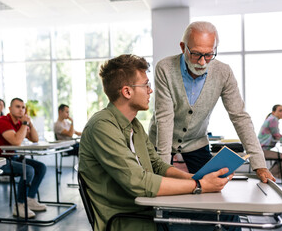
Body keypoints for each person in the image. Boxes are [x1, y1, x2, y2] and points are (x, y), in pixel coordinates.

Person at [78, 54, 240, 231]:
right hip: (131, 220)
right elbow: (139, 183)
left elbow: (157, 165)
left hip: (152, 209)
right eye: (146, 85)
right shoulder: (102, 126)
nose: (150, 90)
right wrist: (200, 186)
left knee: (227, 213)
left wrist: (195, 179)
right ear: (127, 91)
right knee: (219, 222)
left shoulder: (135, 125)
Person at [148, 21, 274, 183]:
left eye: (209, 55)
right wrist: (163, 169)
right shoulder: (164, 68)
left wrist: (259, 164)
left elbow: (240, 117)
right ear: (182, 47)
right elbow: (164, 118)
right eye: (196, 54)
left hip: (196, 142)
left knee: (211, 191)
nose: (202, 62)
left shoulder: (224, 72)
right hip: (160, 142)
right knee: (156, 192)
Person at [0, 98, 47, 218]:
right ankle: (19, 205)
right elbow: (16, 141)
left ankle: (30, 199)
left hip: (11, 157)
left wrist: (30, 123)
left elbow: (35, 139)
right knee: (28, 170)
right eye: (18, 107)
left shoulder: (19, 122)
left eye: (23, 107)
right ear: (10, 109)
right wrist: (24, 124)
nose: (21, 110)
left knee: (41, 167)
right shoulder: (2, 121)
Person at [258, 104, 282, 179]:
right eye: (280, 111)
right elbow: (276, 135)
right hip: (263, 150)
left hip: (261, 149)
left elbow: (276, 135)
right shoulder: (273, 119)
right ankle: (268, 176)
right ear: (273, 112)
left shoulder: (271, 118)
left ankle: (268, 175)